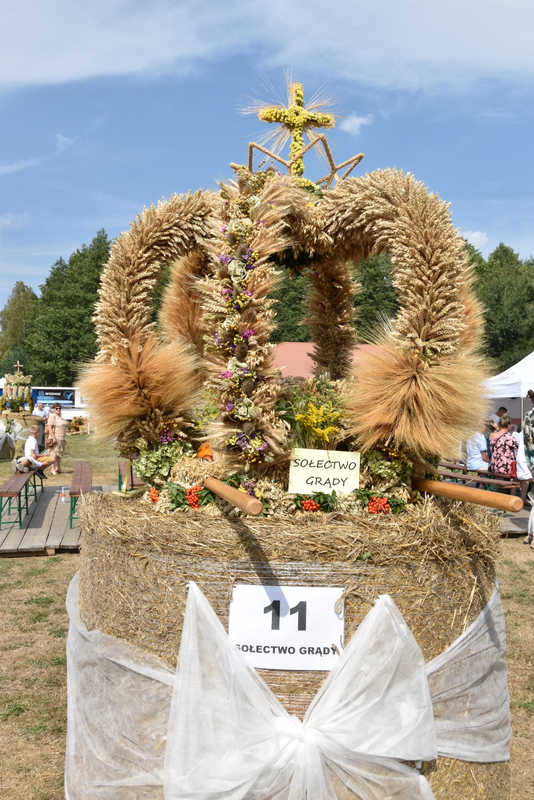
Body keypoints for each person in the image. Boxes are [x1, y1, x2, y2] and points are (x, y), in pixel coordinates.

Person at [47, 404, 67, 476]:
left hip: (61, 437)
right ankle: (52, 469)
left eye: (60, 408)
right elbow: (49, 427)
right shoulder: (52, 416)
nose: (58, 410)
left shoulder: (60, 417)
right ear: (53, 409)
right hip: (55, 436)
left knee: (59, 453)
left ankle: (58, 467)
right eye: (57, 408)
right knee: (53, 453)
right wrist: (53, 437)